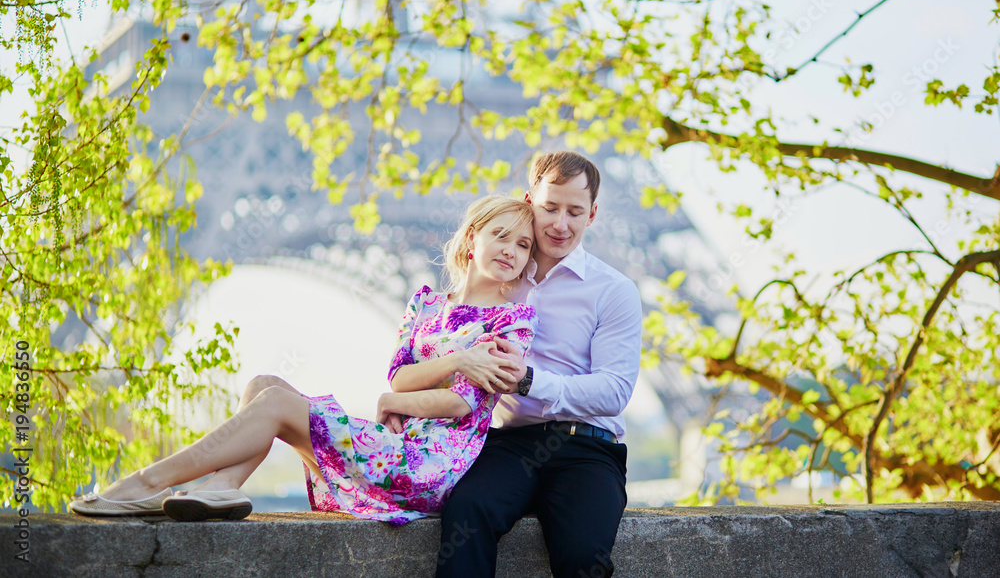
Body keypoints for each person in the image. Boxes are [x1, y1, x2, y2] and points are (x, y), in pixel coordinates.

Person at [69, 195, 538, 525]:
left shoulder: (512, 321)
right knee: (263, 384)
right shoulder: (427, 303)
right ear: (473, 237)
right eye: (502, 236)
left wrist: (401, 396)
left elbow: (461, 406)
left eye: (523, 246)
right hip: (395, 442)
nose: (511, 251)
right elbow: (399, 375)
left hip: (431, 464)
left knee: (273, 404)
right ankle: (219, 487)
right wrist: (454, 363)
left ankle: (144, 485)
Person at [436, 151, 643, 577]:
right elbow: (438, 352)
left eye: (574, 211)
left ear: (593, 214)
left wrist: (529, 380)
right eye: (549, 208)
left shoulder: (614, 290)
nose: (560, 224)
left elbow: (614, 391)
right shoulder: (499, 277)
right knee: (468, 510)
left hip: (588, 450)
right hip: (510, 445)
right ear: (530, 200)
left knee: (584, 555)